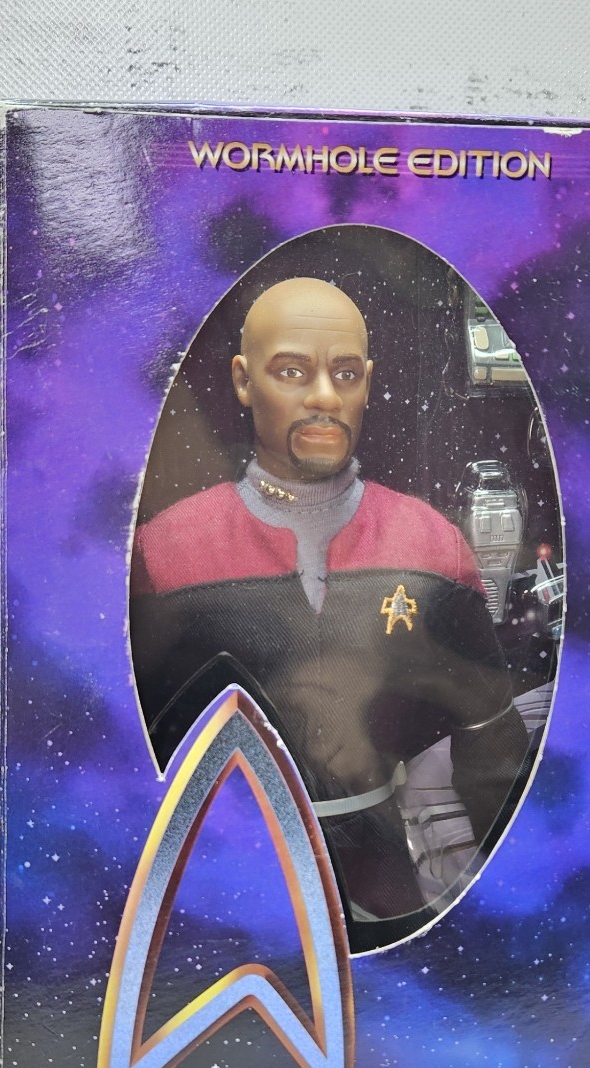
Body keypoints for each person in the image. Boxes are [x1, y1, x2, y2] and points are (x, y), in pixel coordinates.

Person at [130, 277, 529, 944]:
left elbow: (492, 743)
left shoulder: (430, 544)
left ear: (366, 382)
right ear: (243, 380)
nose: (323, 396)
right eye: (291, 371)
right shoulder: (166, 553)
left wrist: (510, 909)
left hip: (388, 893)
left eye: (344, 373)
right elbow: (126, 760)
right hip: (222, 894)